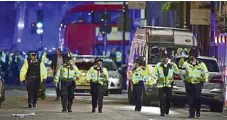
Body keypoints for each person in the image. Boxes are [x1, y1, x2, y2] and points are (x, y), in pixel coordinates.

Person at [149, 51, 179, 116]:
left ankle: (167, 109)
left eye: (166, 58)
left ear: (168, 59)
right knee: (161, 99)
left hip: (169, 84)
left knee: (169, 98)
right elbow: (155, 74)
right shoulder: (158, 65)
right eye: (163, 58)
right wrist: (152, 80)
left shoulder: (171, 65)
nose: (165, 59)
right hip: (160, 85)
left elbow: (177, 72)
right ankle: (162, 111)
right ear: (161, 58)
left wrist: (174, 65)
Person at [182, 47, 209, 118]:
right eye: (190, 55)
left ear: (195, 56)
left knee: (197, 98)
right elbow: (181, 68)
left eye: (192, 55)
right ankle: (191, 113)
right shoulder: (186, 63)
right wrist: (182, 58)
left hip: (197, 83)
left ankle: (197, 110)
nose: (191, 56)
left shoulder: (201, 64)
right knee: (190, 99)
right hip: (189, 83)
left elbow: (205, 72)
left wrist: (205, 80)